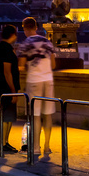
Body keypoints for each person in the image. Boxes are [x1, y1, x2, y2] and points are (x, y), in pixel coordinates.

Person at [19, 17, 57, 157]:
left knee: (35, 115)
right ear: (36, 27)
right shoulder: (47, 42)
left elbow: (22, 65)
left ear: (25, 28)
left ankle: (36, 147)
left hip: (34, 80)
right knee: (47, 115)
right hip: (48, 80)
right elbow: (53, 65)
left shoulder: (26, 43)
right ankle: (47, 146)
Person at [0, 25, 21, 154]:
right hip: (6, 87)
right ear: (12, 35)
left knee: (7, 116)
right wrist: (13, 91)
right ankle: (2, 144)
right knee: (6, 116)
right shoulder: (7, 49)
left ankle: (4, 143)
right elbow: (7, 72)